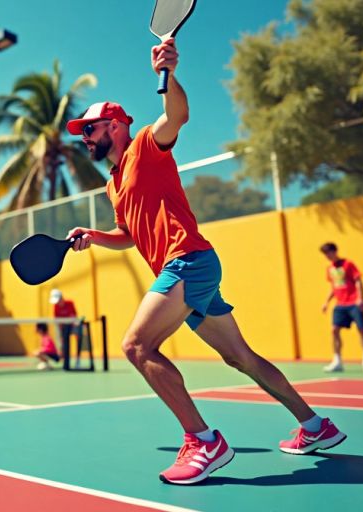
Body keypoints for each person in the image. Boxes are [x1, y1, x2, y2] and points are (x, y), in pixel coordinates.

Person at [62, 38, 344, 485]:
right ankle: (315, 426)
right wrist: (94, 237)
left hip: (187, 261)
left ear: (115, 125)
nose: (84, 138)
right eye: (82, 133)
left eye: (90, 129)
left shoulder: (145, 147)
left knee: (137, 347)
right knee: (242, 358)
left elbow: (177, 116)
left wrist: (169, 74)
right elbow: (130, 237)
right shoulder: (113, 185)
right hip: (189, 268)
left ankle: (203, 441)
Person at [320, 242, 363, 373]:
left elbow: (358, 281)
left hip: (354, 303)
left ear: (335, 251)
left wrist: (361, 298)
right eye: (325, 254)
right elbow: (334, 286)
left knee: (361, 330)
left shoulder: (348, 264)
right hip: (340, 305)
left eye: (329, 252)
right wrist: (326, 302)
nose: (327, 256)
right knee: (334, 330)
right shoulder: (329, 269)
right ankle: (337, 361)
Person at [50, 289, 82, 357]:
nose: (57, 303)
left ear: (61, 298)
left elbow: (74, 315)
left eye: (58, 300)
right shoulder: (55, 306)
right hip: (63, 328)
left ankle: (78, 355)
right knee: (60, 337)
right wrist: (61, 331)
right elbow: (57, 320)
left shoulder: (70, 303)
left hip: (72, 326)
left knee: (79, 333)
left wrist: (74, 324)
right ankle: (62, 354)